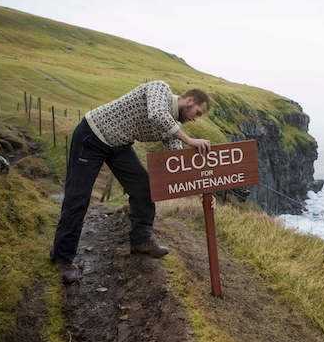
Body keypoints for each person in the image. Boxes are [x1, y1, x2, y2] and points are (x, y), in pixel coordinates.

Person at [50, 80, 212, 283]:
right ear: (189, 100)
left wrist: (201, 187)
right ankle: (63, 258)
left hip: (119, 146)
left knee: (144, 188)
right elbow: (156, 114)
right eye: (197, 113)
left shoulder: (173, 126)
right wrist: (190, 140)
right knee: (78, 197)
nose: (195, 119)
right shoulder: (160, 88)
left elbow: (175, 159)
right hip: (92, 136)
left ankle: (141, 240)